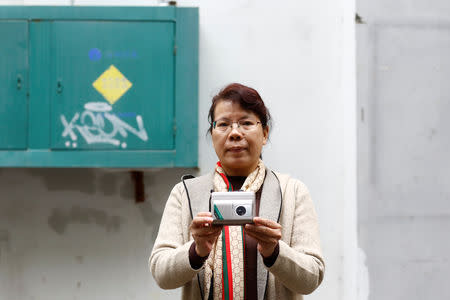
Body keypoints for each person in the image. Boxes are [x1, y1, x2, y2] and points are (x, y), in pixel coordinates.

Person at [150, 83, 324, 300]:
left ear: (264, 133)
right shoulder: (186, 193)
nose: (234, 133)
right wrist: (197, 250)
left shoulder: (292, 192)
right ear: (212, 135)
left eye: (246, 123)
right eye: (223, 124)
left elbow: (312, 277)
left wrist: (274, 251)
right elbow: (160, 272)